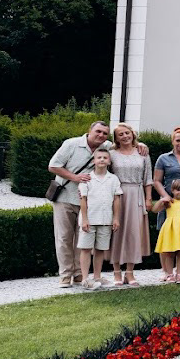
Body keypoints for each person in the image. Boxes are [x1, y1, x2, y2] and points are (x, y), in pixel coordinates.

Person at [46, 120, 112, 288]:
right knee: (63, 238)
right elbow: (53, 166)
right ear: (89, 130)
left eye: (105, 133)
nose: (101, 135)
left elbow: (126, 143)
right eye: (98, 131)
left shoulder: (107, 147)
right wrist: (74, 177)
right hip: (64, 198)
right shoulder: (71, 144)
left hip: (87, 202)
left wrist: (140, 144)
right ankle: (65, 275)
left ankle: (77, 274)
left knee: (82, 239)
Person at [107, 123, 152, 286]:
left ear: (132, 134)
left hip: (136, 194)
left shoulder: (142, 153)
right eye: (121, 134)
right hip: (117, 194)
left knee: (134, 233)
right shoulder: (111, 153)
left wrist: (148, 198)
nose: (125, 136)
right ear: (116, 138)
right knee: (116, 233)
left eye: (127, 133)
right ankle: (117, 272)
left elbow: (148, 178)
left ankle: (130, 272)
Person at [76, 148, 121, 290]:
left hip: (105, 220)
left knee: (100, 249)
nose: (102, 160)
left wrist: (116, 218)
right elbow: (83, 200)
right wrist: (84, 219)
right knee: (86, 248)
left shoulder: (113, 179)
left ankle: (97, 276)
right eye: (99, 157)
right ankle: (84, 279)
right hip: (89, 219)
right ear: (94, 161)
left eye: (105, 157)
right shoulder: (87, 178)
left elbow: (116, 199)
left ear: (109, 161)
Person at [151, 179, 180, 283]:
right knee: (169, 252)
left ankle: (179, 273)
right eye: (177, 190)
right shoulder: (169, 202)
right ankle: (169, 274)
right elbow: (154, 210)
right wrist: (161, 200)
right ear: (172, 190)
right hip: (171, 230)